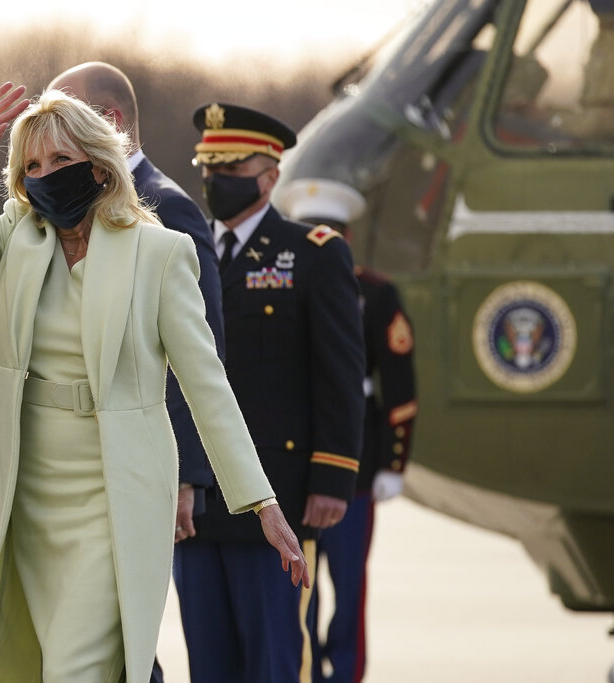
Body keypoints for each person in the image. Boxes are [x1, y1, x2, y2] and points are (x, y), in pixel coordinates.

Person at [0, 81, 311, 683]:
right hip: (24, 490)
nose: (46, 174)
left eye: (61, 160)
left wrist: (262, 502)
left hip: (112, 494)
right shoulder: (17, 238)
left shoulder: (160, 253)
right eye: (31, 164)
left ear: (98, 163)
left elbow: (206, 385)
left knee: (79, 668)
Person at [174, 103, 365, 683]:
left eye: (232, 167)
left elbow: (339, 373)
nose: (215, 181)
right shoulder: (181, 252)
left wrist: (333, 476)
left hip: (274, 500)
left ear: (270, 175)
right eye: (209, 166)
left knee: (275, 662)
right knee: (209, 664)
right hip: (199, 506)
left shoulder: (312, 251)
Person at [46, 61, 223, 683]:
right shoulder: (71, 206)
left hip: (140, 464)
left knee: (118, 631)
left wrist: (186, 478)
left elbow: (196, 357)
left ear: (111, 122)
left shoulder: (167, 211)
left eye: (67, 121)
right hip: (78, 464)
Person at [278, 178, 418, 683]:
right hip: (294, 460)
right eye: (312, 231)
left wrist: (393, 465)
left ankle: (347, 675)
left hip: (356, 464)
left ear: (347, 236)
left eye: (330, 233)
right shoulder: (278, 284)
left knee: (350, 583)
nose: (322, 241)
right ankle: (308, 671)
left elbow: (399, 388)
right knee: (298, 583)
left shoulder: (376, 295)